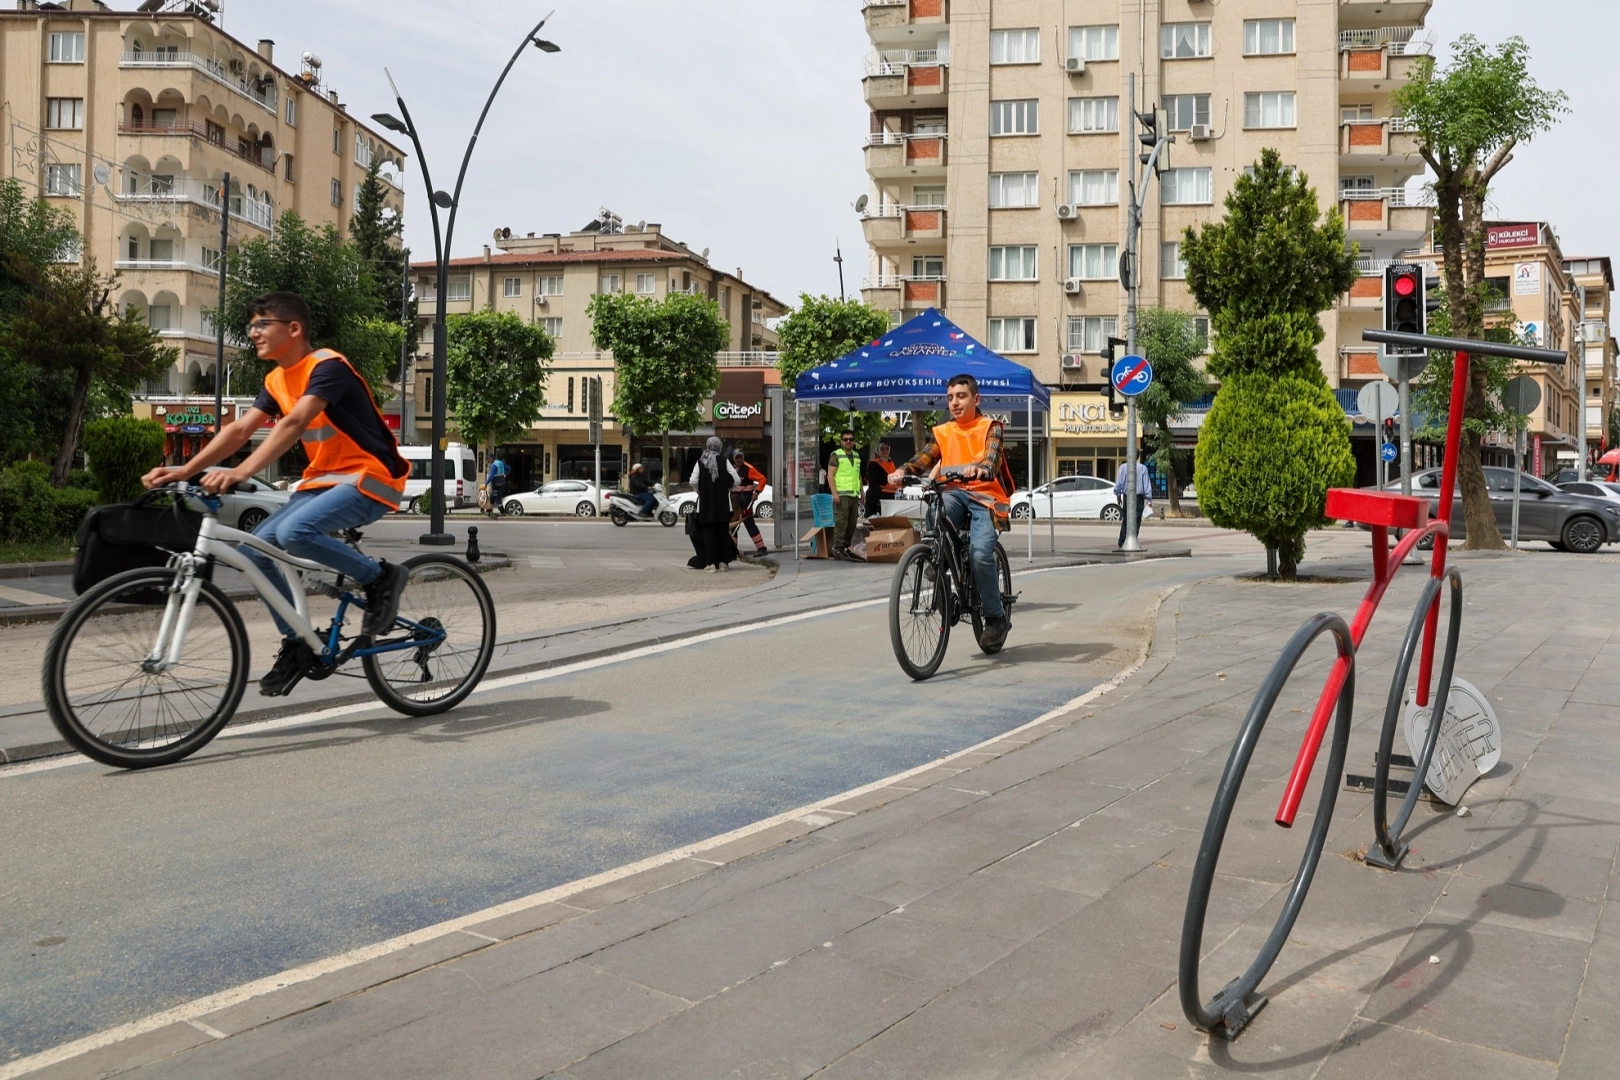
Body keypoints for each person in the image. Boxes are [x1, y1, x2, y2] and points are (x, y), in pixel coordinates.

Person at [142, 291, 411, 696]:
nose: (253, 333)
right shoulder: (276, 380)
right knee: (255, 551)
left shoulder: (328, 366)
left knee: (293, 533)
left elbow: (294, 423)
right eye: (251, 325)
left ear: (294, 328)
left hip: (371, 477)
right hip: (322, 482)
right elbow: (239, 430)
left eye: (262, 324)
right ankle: (298, 642)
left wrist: (240, 472)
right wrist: (185, 470)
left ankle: (381, 577)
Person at [889, 374, 1012, 650]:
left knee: (980, 555)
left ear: (976, 399)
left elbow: (992, 458)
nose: (954, 403)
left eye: (961, 396)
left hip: (985, 496)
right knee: (936, 510)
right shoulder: (943, 432)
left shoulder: (990, 427)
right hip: (954, 493)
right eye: (950, 398)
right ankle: (937, 560)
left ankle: (995, 618)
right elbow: (924, 457)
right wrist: (902, 471)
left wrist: (981, 469)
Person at [687, 436, 739, 572]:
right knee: (722, 533)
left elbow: (693, 481)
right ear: (719, 446)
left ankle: (711, 564)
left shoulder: (701, 462)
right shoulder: (724, 461)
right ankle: (723, 563)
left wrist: (700, 490)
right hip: (723, 504)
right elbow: (736, 479)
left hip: (706, 504)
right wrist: (729, 488)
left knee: (708, 533)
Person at [827, 429, 862, 559]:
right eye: (845, 439)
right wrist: (834, 493)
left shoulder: (856, 456)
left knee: (852, 523)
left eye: (851, 439)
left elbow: (858, 474)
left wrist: (862, 491)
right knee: (841, 522)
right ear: (841, 442)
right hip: (841, 494)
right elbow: (830, 475)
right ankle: (838, 549)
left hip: (853, 494)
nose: (848, 441)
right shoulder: (836, 455)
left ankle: (846, 547)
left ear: (854, 441)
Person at [731, 448, 769, 556]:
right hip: (735, 502)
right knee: (733, 525)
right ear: (733, 459)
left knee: (749, 524)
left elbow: (762, 479)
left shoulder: (749, 469)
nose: (739, 459)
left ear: (743, 457)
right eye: (737, 457)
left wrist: (756, 492)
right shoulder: (732, 469)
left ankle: (762, 548)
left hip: (745, 502)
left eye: (741, 457)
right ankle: (732, 550)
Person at [1113, 458, 1153, 549]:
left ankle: (1122, 543)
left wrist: (1118, 496)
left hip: (1127, 497)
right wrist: (1149, 499)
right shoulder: (1142, 468)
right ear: (1138, 457)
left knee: (1126, 521)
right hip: (1138, 498)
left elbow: (1118, 484)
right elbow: (1147, 485)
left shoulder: (1123, 467)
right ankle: (1132, 542)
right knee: (1136, 521)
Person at [864, 441, 895, 518]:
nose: (885, 451)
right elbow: (873, 484)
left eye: (887, 448)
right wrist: (877, 500)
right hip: (877, 498)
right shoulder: (874, 464)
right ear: (878, 450)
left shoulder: (891, 463)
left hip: (889, 496)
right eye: (882, 449)